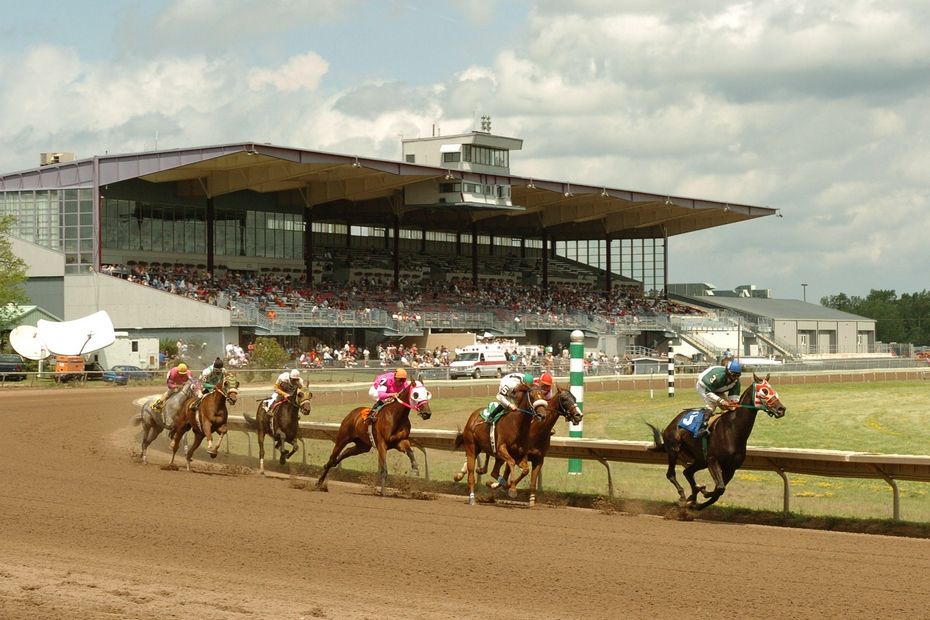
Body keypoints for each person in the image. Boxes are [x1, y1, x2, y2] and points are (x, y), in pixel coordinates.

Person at [694, 359, 742, 437]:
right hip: (704, 387)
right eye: (733, 375)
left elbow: (734, 399)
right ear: (727, 372)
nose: (735, 378)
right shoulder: (718, 377)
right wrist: (721, 400)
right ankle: (702, 428)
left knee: (731, 407)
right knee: (712, 405)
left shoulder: (736, 382)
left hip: (717, 388)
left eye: (738, 375)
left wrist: (733, 404)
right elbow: (708, 392)